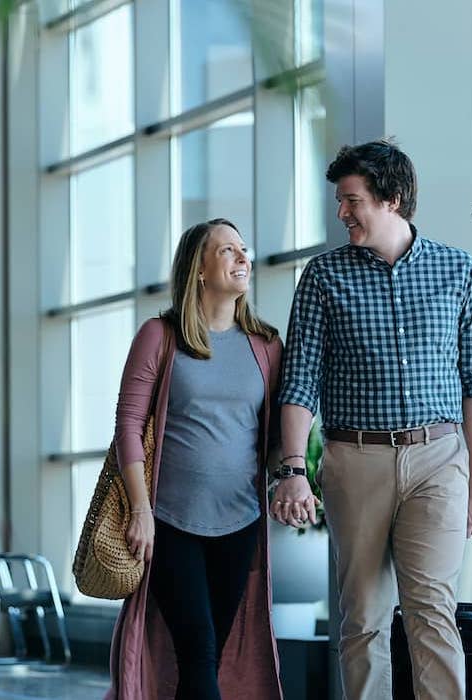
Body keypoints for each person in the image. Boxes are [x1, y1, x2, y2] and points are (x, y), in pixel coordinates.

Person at [270, 139, 472, 700]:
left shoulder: (458, 272)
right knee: (364, 617)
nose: (341, 213)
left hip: (439, 461)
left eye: (352, 200)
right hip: (355, 460)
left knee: (432, 612)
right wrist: (294, 468)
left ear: (391, 198)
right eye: (340, 202)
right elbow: (299, 382)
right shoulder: (323, 278)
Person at [104, 219, 285, 700]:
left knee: (205, 657)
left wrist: (293, 478)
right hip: (168, 523)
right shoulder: (159, 336)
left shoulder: (266, 345)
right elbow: (127, 425)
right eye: (228, 250)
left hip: (240, 523)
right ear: (200, 269)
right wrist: (141, 510)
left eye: (243, 248)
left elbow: (273, 437)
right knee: (199, 651)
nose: (243, 258)